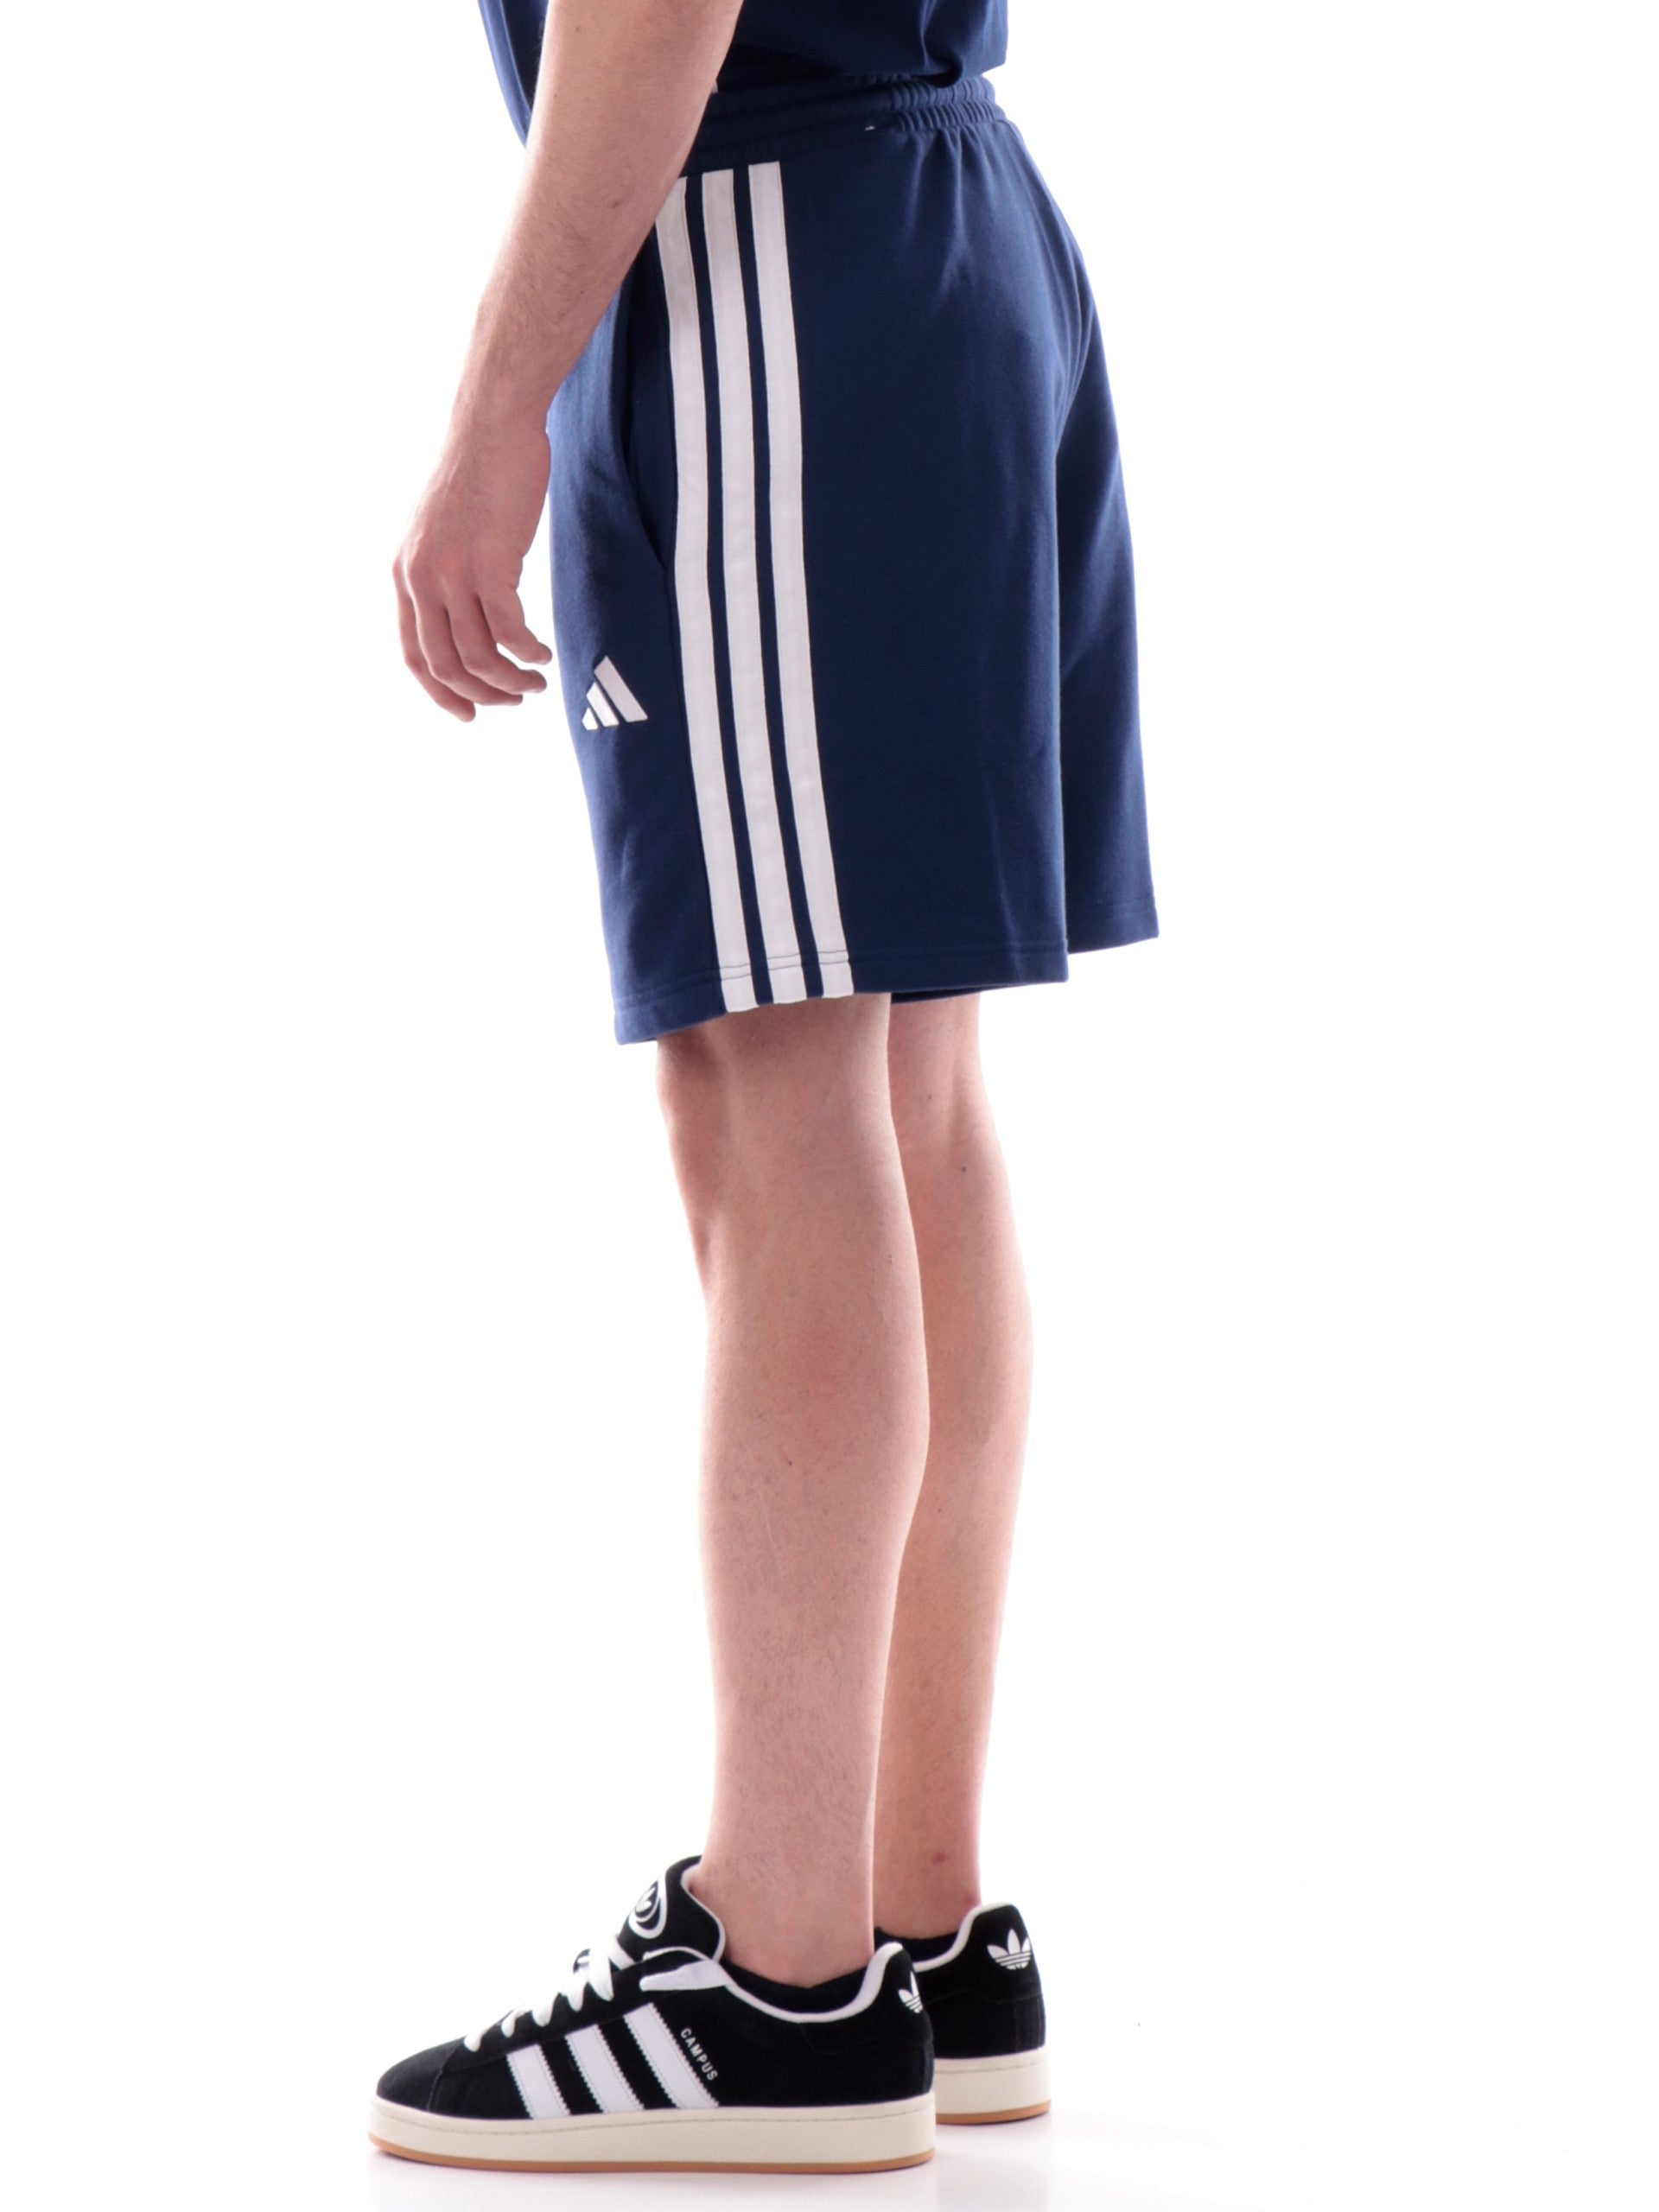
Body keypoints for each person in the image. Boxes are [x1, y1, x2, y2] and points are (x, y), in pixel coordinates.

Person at [374, 0, 1155, 2175]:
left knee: (780, 1091)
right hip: (936, 227)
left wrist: (494, 410)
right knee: (905, 1090)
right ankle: (918, 1921)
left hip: (769, 271)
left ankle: (784, 1978)